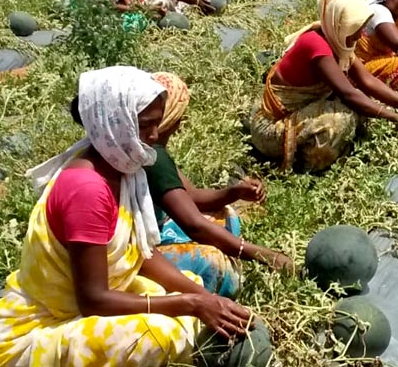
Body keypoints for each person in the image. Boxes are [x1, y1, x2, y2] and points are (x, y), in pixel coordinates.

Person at [0, 67, 253, 367]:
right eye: (145, 125)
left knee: (189, 282)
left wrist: (201, 296)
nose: (154, 135)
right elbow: (93, 300)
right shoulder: (87, 189)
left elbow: (141, 255)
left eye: (157, 123)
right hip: (44, 326)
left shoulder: (123, 168)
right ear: (116, 124)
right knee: (158, 334)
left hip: (93, 303)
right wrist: (190, 303)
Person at [68, 71, 293, 297]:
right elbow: (193, 224)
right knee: (216, 264)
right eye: (149, 122)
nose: (177, 126)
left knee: (226, 217)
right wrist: (264, 255)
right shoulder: (123, 167)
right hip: (113, 267)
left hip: (138, 245)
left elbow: (190, 195)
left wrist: (234, 192)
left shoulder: (131, 151)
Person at [250, 0, 398, 172]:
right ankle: (303, 165)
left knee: (363, 108)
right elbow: (349, 94)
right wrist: (393, 117)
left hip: (301, 109)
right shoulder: (316, 46)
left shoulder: (337, 40)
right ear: (339, 23)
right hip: (271, 129)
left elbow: (367, 81)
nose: (359, 35)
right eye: (354, 29)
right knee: (341, 120)